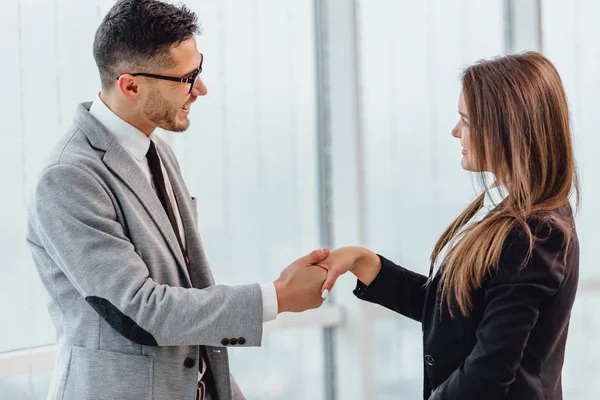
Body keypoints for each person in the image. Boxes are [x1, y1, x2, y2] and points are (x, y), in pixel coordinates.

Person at [25, 1, 327, 399]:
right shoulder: (68, 178)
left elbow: (188, 288)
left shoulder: (159, 151)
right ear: (130, 85)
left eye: (198, 69)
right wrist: (277, 296)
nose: (200, 88)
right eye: (185, 78)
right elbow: (143, 311)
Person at [319, 52, 580, 400]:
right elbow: (457, 311)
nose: (455, 131)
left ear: (506, 128)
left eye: (466, 121)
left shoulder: (534, 234)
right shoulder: (509, 211)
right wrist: (363, 262)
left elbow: (488, 373)